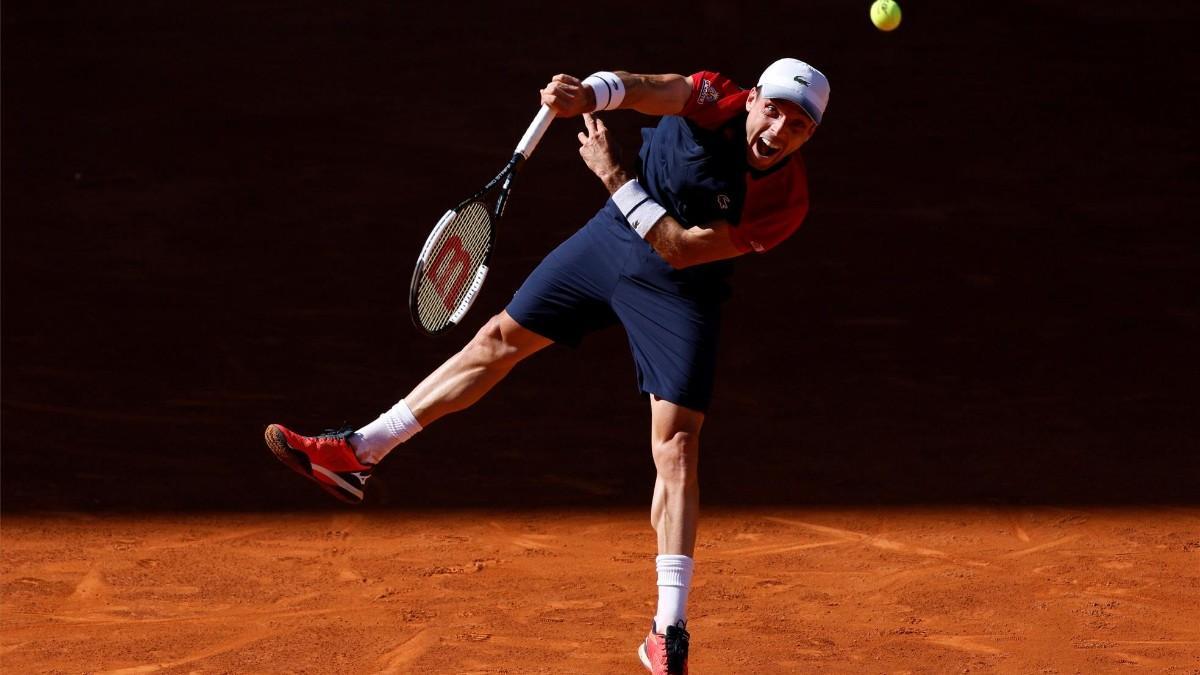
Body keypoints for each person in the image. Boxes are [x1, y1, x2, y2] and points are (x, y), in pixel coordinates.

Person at [264, 58, 829, 675]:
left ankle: (668, 629)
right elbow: (647, 89)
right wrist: (591, 93)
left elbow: (680, 248)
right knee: (499, 338)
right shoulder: (714, 96)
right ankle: (358, 453)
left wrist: (614, 176)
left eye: (797, 125)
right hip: (612, 239)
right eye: (772, 109)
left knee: (677, 446)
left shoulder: (786, 201)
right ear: (752, 101)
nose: (778, 129)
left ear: (808, 137)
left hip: (678, 286)